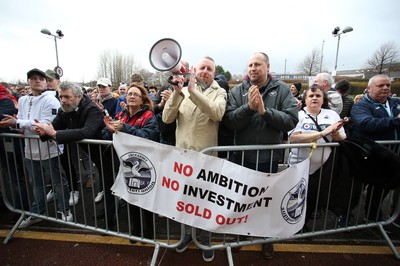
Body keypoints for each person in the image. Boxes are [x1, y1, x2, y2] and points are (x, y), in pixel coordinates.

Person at [223, 52, 298, 260]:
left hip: (269, 158)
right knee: (240, 199)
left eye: (257, 64)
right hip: (242, 158)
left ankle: (266, 239)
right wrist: (248, 108)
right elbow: (230, 121)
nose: (253, 68)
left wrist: (266, 112)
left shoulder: (282, 90)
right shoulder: (238, 91)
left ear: (267, 67)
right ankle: (239, 234)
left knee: (267, 201)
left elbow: (291, 121)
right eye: (250, 65)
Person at [162, 56, 227, 262]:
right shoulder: (182, 89)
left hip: (206, 159)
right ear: (195, 71)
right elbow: (167, 118)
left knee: (205, 203)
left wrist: (193, 92)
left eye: (209, 69)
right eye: (202, 68)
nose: (205, 71)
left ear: (214, 73)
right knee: (184, 201)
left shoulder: (220, 92)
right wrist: (177, 92)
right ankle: (186, 235)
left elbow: (217, 113)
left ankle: (205, 240)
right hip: (182, 159)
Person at [33, 81, 118, 227]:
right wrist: (43, 132)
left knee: (111, 184)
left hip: (108, 152)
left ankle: (111, 221)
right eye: (61, 97)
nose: (63, 101)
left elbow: (87, 132)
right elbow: (54, 128)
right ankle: (108, 211)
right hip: (93, 152)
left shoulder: (92, 109)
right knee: (106, 183)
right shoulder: (64, 110)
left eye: (67, 97)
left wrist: (53, 133)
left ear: (79, 97)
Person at [0, 68, 72, 228]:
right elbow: (21, 120)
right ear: (28, 82)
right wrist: (14, 124)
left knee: (58, 181)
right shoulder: (24, 100)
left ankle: (64, 209)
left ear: (46, 82)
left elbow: (45, 124)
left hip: (49, 149)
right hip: (29, 150)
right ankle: (38, 212)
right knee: (36, 183)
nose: (37, 81)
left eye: (41, 78)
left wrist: (17, 123)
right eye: (33, 78)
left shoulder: (52, 100)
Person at [102, 83, 159, 239]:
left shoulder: (148, 116)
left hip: (145, 165)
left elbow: (149, 136)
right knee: (131, 198)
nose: (132, 96)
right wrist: (109, 130)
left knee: (145, 200)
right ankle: (135, 231)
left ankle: (148, 232)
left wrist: (125, 128)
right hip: (126, 165)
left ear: (142, 100)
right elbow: (106, 136)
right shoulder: (121, 115)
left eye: (136, 94)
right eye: (129, 94)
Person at [288, 84, 346, 226]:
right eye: (311, 96)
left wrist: (335, 132)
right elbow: (294, 138)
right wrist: (321, 133)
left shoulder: (332, 115)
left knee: (314, 198)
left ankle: (304, 224)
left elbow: (342, 138)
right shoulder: (298, 115)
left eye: (318, 95)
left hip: (324, 167)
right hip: (299, 165)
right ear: (305, 99)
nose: (314, 98)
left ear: (323, 99)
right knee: (296, 197)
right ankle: (293, 224)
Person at [350, 74, 400, 223]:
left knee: (382, 189)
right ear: (369, 88)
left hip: (392, 156)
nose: (385, 88)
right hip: (369, 155)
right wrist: (396, 121)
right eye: (381, 85)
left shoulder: (395, 103)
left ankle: (373, 217)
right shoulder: (361, 106)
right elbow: (366, 124)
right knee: (356, 189)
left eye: (388, 85)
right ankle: (345, 215)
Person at [0, 83, 29, 211]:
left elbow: (3, 118)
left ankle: (22, 209)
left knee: (15, 178)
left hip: (8, 147)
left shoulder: (6, 101)